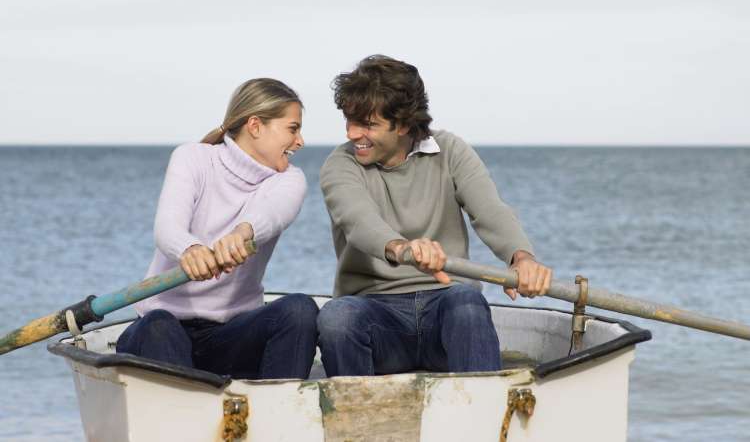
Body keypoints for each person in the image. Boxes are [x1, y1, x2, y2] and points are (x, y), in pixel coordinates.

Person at [317, 55, 553, 377]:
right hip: (377, 312)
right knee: (337, 318)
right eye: (350, 121)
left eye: (368, 124)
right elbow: (358, 221)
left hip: (445, 304)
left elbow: (489, 210)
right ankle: (353, 419)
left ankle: (482, 414)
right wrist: (402, 248)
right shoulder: (340, 164)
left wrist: (521, 258)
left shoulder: (450, 150)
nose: (354, 134)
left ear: (402, 124)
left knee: (467, 303)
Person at [117, 78, 319, 380]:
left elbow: (273, 212)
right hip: (161, 332)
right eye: (293, 128)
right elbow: (168, 227)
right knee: (159, 325)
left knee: (300, 310)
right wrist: (190, 250)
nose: (300, 141)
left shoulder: (290, 179)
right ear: (255, 126)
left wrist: (242, 234)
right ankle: (187, 414)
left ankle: (278, 414)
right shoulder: (192, 157)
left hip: (232, 336)